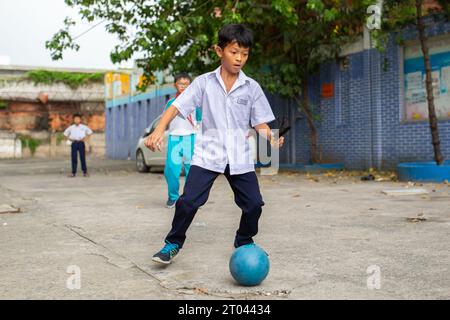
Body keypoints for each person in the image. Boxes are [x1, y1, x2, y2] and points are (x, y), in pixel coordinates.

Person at [145, 24, 284, 265]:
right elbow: (177, 107)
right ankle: (173, 243)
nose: (240, 58)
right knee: (188, 202)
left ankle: (244, 240)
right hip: (209, 153)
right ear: (219, 51)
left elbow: (260, 121)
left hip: (239, 155)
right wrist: (159, 130)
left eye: (245, 54)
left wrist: (269, 137)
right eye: (234, 52)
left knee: (254, 204)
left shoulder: (251, 87)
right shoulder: (203, 83)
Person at [164, 73, 202, 209]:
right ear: (175, 85)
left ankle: (190, 198)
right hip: (174, 138)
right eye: (181, 84)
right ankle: (173, 197)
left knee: (191, 171)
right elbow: (165, 121)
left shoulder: (195, 103)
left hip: (190, 138)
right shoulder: (170, 103)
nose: (183, 87)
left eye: (186, 84)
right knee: (171, 170)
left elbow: (200, 122)